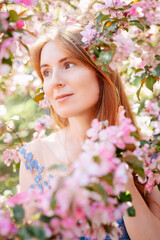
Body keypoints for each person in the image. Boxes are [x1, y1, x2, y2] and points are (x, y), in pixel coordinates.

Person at [19, 25, 160, 240]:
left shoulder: (148, 152)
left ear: (101, 71)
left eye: (68, 64)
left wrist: (126, 184)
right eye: (46, 72)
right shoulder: (34, 156)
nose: (55, 81)